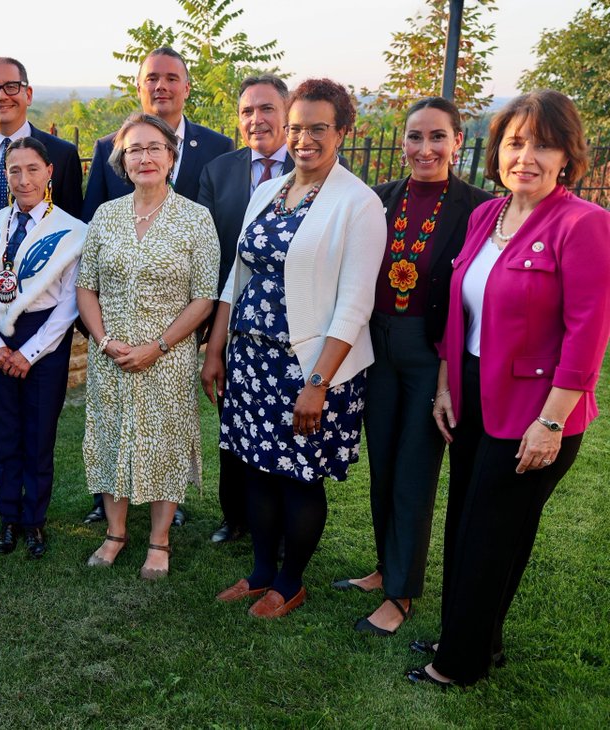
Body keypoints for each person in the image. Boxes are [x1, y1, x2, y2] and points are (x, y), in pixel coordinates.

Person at [408, 90, 610, 688]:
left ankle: (459, 663)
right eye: (516, 143)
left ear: (567, 156)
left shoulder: (584, 224)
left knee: (491, 535)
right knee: (469, 525)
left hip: (534, 411)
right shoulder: (485, 216)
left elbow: (587, 332)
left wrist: (550, 423)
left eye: (543, 144)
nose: (527, 156)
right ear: (497, 151)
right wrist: (447, 383)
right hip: (472, 393)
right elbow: (460, 316)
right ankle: (470, 637)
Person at [205, 78, 385, 618]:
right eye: (297, 127)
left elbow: (355, 305)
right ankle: (261, 571)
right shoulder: (269, 190)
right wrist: (215, 350)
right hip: (251, 360)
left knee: (298, 476)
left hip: (308, 367)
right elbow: (235, 279)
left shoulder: (358, 204)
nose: (304, 138)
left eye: (318, 128)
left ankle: (290, 581)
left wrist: (317, 384)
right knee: (257, 468)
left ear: (343, 132)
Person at [332, 97, 491, 635]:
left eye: (437, 137)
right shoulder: (380, 200)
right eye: (415, 137)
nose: (425, 148)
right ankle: (385, 567)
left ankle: (401, 595)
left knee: (414, 472)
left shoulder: (478, 208)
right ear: (402, 142)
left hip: (430, 352)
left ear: (457, 142)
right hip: (378, 345)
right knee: (383, 467)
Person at [81, 46, 231, 526]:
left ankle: (160, 540)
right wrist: (104, 341)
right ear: (122, 160)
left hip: (168, 352)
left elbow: (205, 295)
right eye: (135, 150)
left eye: (155, 149)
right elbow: (87, 287)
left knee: (165, 440)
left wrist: (159, 345)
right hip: (112, 352)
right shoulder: (106, 215)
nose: (145, 157)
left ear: (171, 155)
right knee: (110, 435)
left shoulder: (195, 218)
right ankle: (116, 532)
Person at [0, 56, 84, 520]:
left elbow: (70, 230)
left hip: (40, 307)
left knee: (34, 413)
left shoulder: (59, 154)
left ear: (27, 92)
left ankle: (32, 502)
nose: (1, 95)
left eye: (10, 86)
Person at [0, 136, 86, 558]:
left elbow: (70, 303)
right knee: (5, 433)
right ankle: (8, 519)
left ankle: (34, 521)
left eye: (32, 169)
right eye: (14, 171)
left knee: (38, 435)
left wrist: (29, 352)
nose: (23, 179)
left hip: (44, 339)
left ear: (49, 172)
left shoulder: (73, 231)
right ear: (6, 176)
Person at [196, 73, 294, 545]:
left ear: (288, 111)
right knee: (233, 423)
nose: (257, 119)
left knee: (283, 423)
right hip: (230, 318)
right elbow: (209, 253)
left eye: (267, 108)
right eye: (247, 112)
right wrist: (212, 335)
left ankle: (278, 517)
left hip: (293, 323)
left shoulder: (311, 166)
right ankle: (234, 516)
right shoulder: (219, 171)